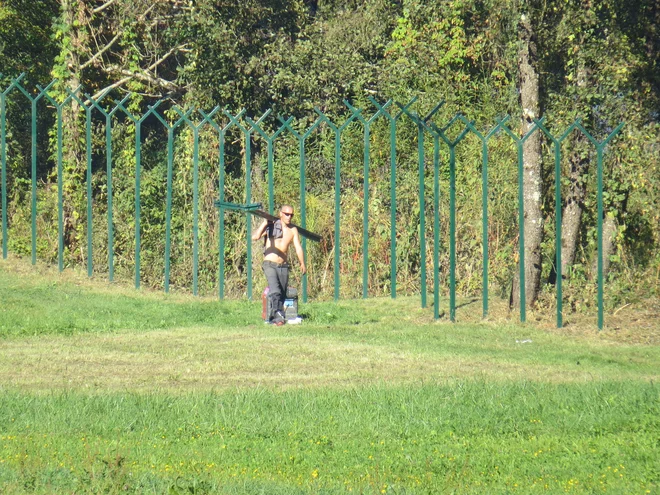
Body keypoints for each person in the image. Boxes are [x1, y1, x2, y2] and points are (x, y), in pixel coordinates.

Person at [252, 205, 306, 325]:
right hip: (269, 264)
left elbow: (298, 247)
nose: (289, 217)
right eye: (286, 214)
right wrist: (265, 223)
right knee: (275, 290)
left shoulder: (293, 230)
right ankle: (277, 316)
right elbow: (255, 237)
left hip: (283, 266)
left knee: (282, 292)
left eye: (291, 215)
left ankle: (276, 315)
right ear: (280, 213)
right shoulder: (272, 226)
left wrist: (302, 263)